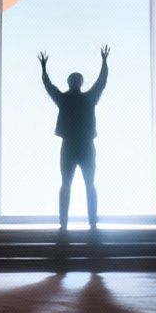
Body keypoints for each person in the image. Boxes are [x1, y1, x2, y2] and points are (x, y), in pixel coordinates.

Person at [39, 46, 109, 231]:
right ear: (79, 83)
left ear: (72, 83)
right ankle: (89, 222)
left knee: (70, 185)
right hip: (82, 146)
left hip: (72, 146)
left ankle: (66, 222)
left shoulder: (65, 99)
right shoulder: (88, 98)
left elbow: (49, 86)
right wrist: (104, 62)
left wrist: (44, 69)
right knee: (85, 185)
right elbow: (101, 82)